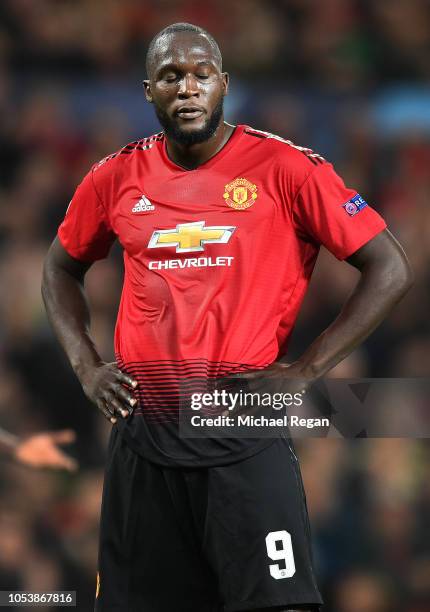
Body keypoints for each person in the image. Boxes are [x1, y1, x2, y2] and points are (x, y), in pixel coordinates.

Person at [41, 22, 412, 612]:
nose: (187, 89)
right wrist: (86, 365)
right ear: (148, 92)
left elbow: (389, 266)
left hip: (242, 431)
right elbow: (59, 269)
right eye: (171, 77)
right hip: (143, 439)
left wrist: (308, 369)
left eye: (200, 74)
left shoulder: (288, 168)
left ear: (223, 84)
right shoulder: (113, 178)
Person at [0, 426, 77, 471]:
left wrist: (66, 462)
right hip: (18, 445)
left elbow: (28, 456)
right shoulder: (49, 441)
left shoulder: (54, 455)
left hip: (17, 449)